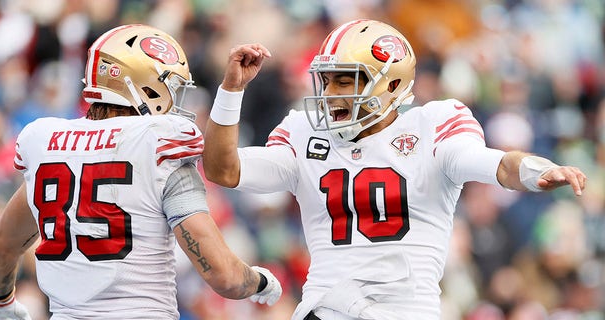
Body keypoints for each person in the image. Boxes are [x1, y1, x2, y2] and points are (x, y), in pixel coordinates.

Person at [202, 19, 586, 320]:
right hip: (326, 308)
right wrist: (231, 92)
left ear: (391, 84)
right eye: (328, 79)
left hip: (404, 311)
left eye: (345, 80)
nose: (331, 92)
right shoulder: (303, 131)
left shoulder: (434, 125)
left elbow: (497, 164)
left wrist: (536, 170)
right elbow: (224, 170)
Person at [0, 24, 282, 320]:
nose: (174, 102)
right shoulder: (158, 144)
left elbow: (4, 247)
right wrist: (259, 281)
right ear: (145, 87)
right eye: (171, 88)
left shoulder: (48, 144)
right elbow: (225, 277)